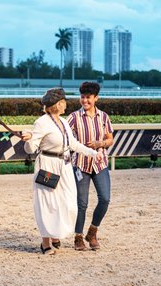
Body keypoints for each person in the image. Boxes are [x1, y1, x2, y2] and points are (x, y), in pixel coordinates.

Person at [22, 88, 103, 255]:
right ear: (58, 104)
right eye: (64, 101)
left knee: (68, 204)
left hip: (65, 166)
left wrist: (94, 154)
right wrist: (28, 139)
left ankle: (55, 234)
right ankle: (45, 243)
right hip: (47, 166)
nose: (66, 104)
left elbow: (73, 144)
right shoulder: (41, 123)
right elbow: (31, 149)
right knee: (48, 204)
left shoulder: (64, 122)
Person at [67, 82, 114, 251]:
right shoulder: (73, 118)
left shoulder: (104, 117)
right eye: (82, 97)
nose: (85, 100)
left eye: (88, 97)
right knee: (82, 203)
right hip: (80, 165)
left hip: (99, 163)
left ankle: (92, 232)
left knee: (105, 199)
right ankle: (78, 237)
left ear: (96, 98)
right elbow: (65, 139)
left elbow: (110, 139)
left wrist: (99, 143)